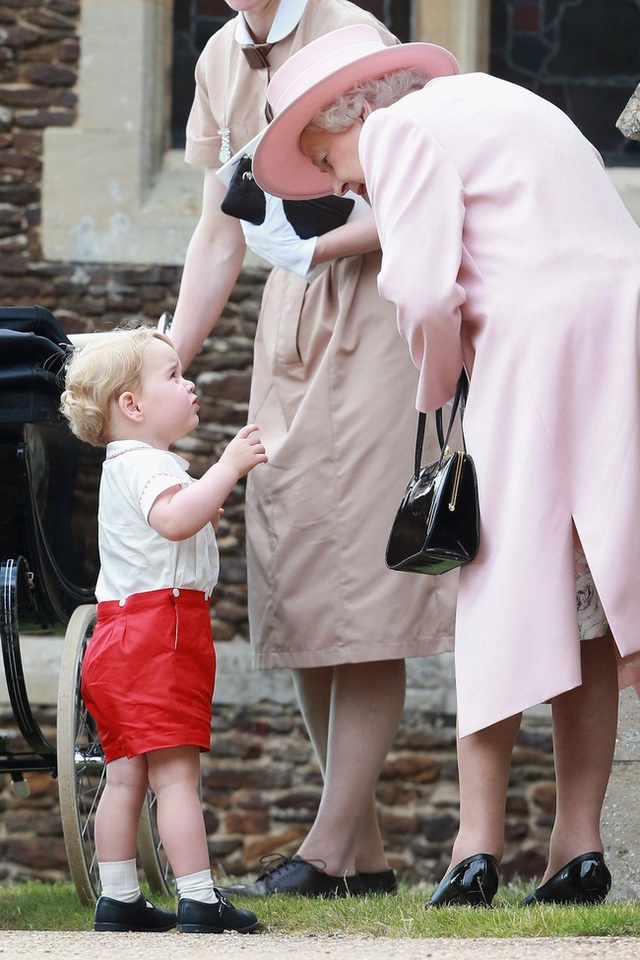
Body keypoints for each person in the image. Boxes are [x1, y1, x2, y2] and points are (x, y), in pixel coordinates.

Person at [251, 23, 640, 906]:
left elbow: (424, 291)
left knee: (496, 587)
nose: (339, 185)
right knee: (586, 601)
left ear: (347, 115)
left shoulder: (398, 130)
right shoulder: (500, 100)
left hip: (536, 351)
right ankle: (577, 848)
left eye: (326, 161)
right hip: (618, 335)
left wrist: (439, 391)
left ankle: (475, 849)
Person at [169, 0, 458, 897]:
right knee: (301, 588)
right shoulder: (220, 57)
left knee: (363, 588)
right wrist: (163, 358)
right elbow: (219, 232)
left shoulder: (353, 34)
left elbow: (422, 193)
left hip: (373, 311)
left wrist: (318, 244)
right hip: (289, 327)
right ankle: (363, 859)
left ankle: (326, 853)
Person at [60, 327, 267, 932]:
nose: (190, 383)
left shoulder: (124, 465)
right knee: (176, 775)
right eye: (174, 375)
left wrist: (202, 495)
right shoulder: (150, 463)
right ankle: (199, 897)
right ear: (131, 404)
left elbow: (173, 523)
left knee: (124, 775)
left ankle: (119, 897)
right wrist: (227, 469)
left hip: (116, 634)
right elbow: (174, 521)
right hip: (161, 634)